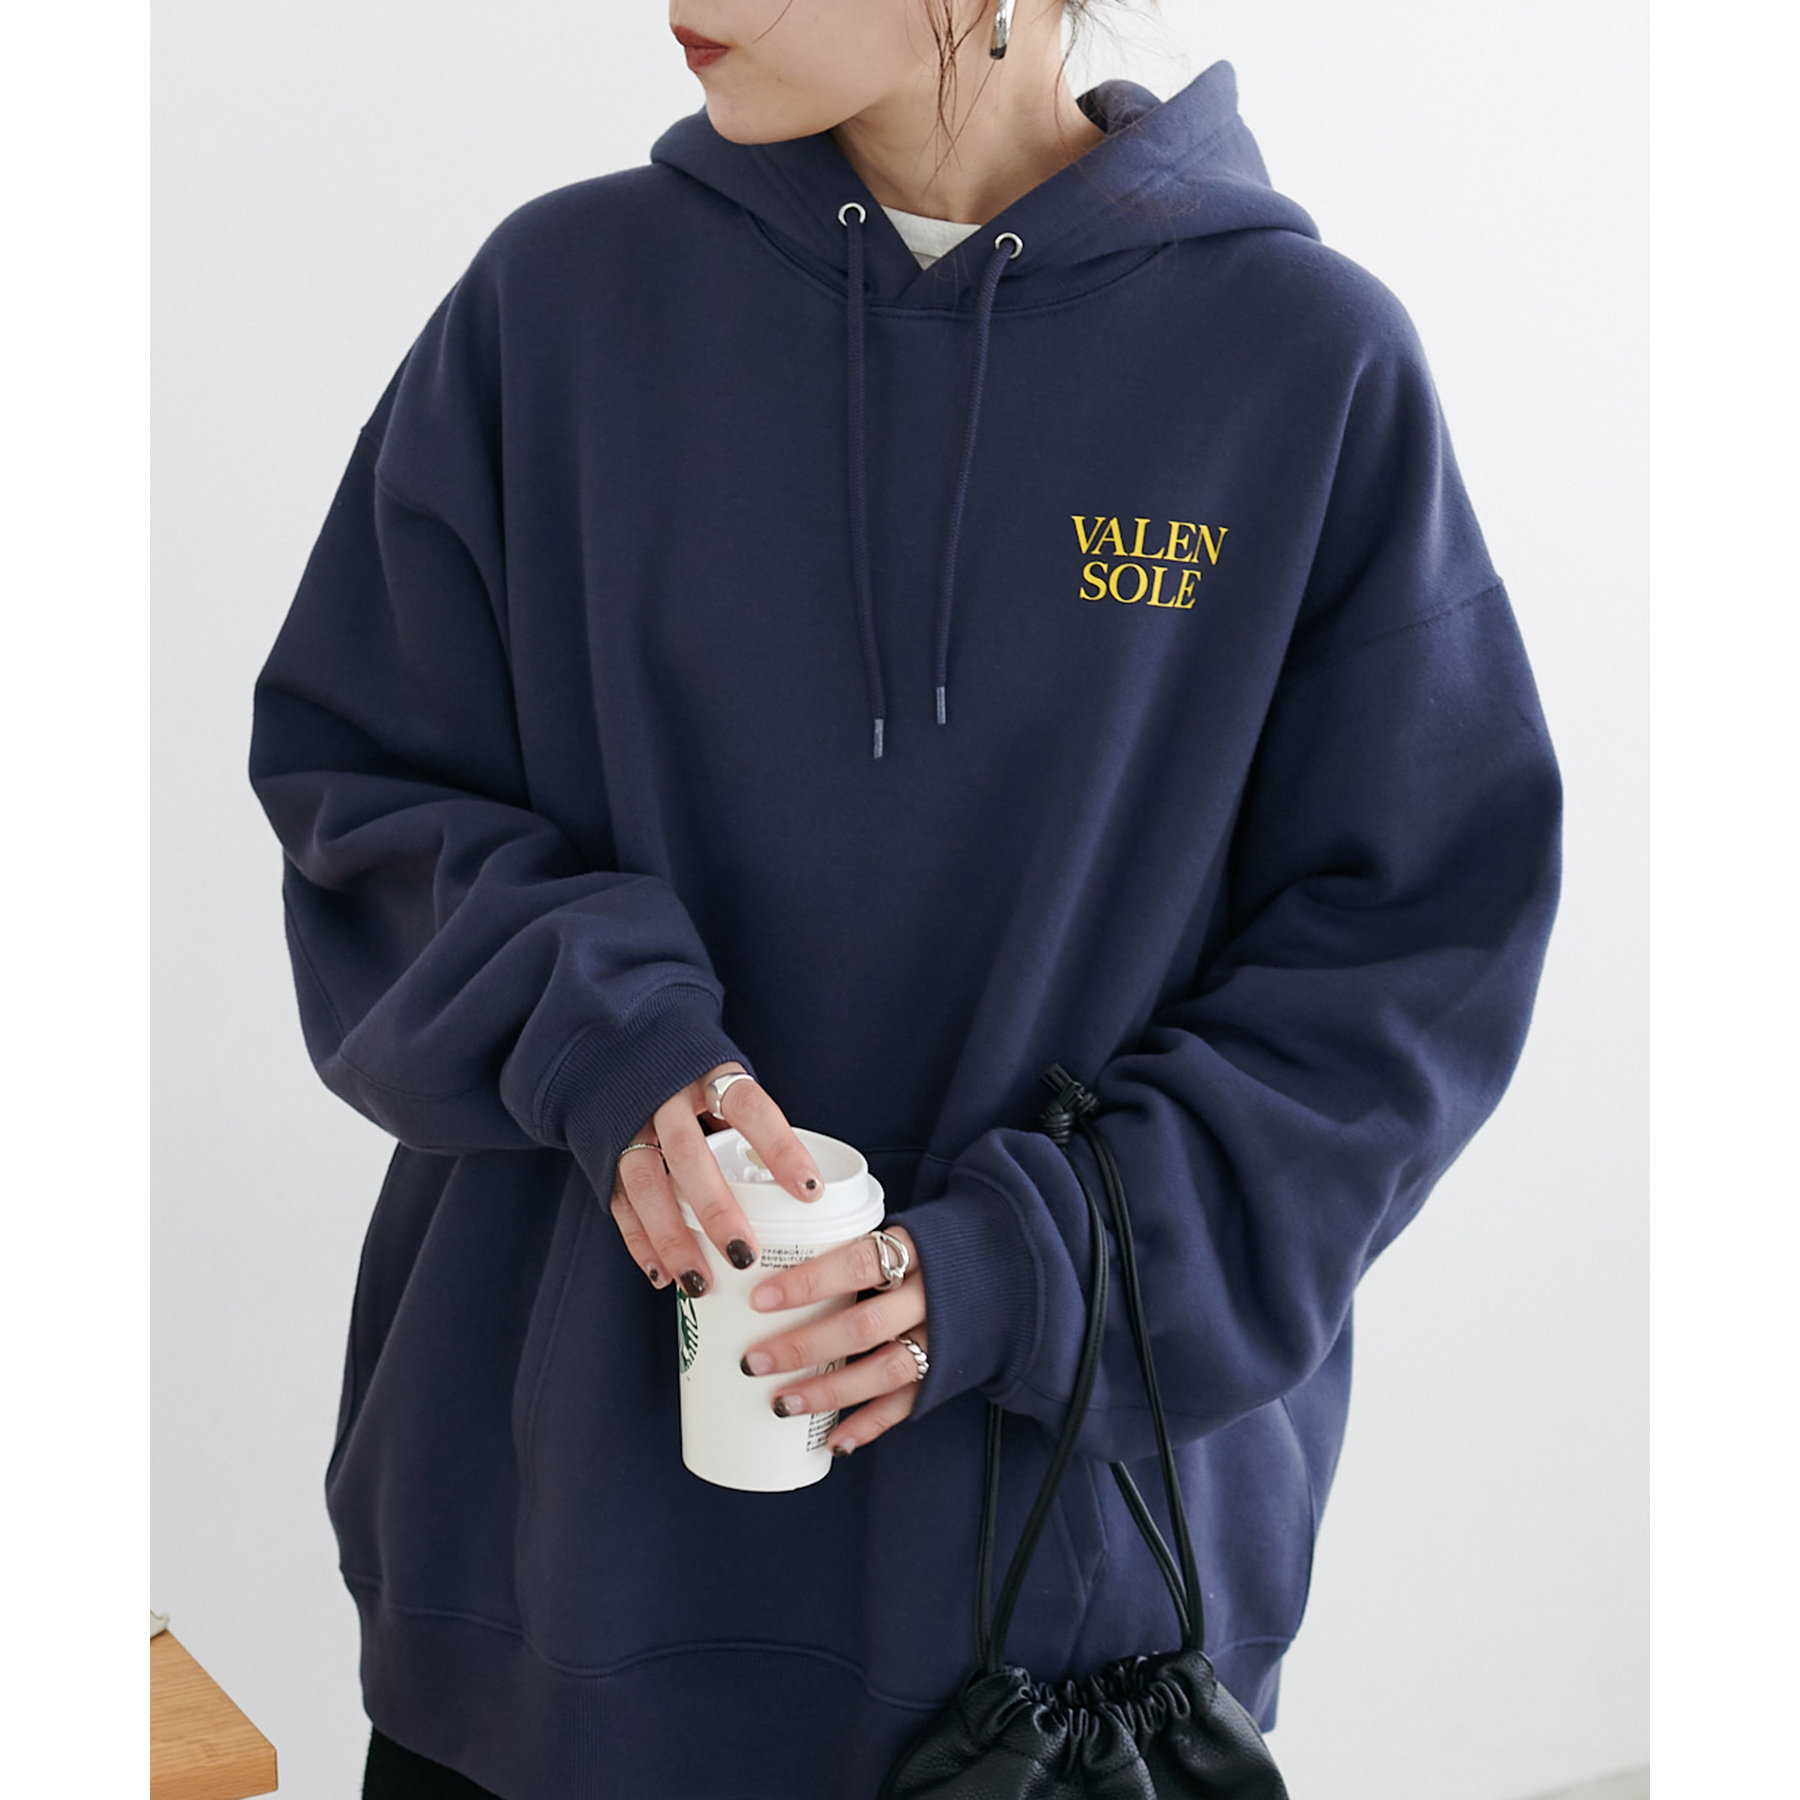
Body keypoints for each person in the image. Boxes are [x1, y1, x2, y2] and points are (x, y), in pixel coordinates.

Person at [246, 2, 1563, 1796]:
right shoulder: (558, 306)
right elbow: (366, 785)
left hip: (1041, 1641)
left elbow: (1409, 962)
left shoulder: (1299, 364)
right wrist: (604, 1039)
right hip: (556, 1583)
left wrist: (1041, 1266)